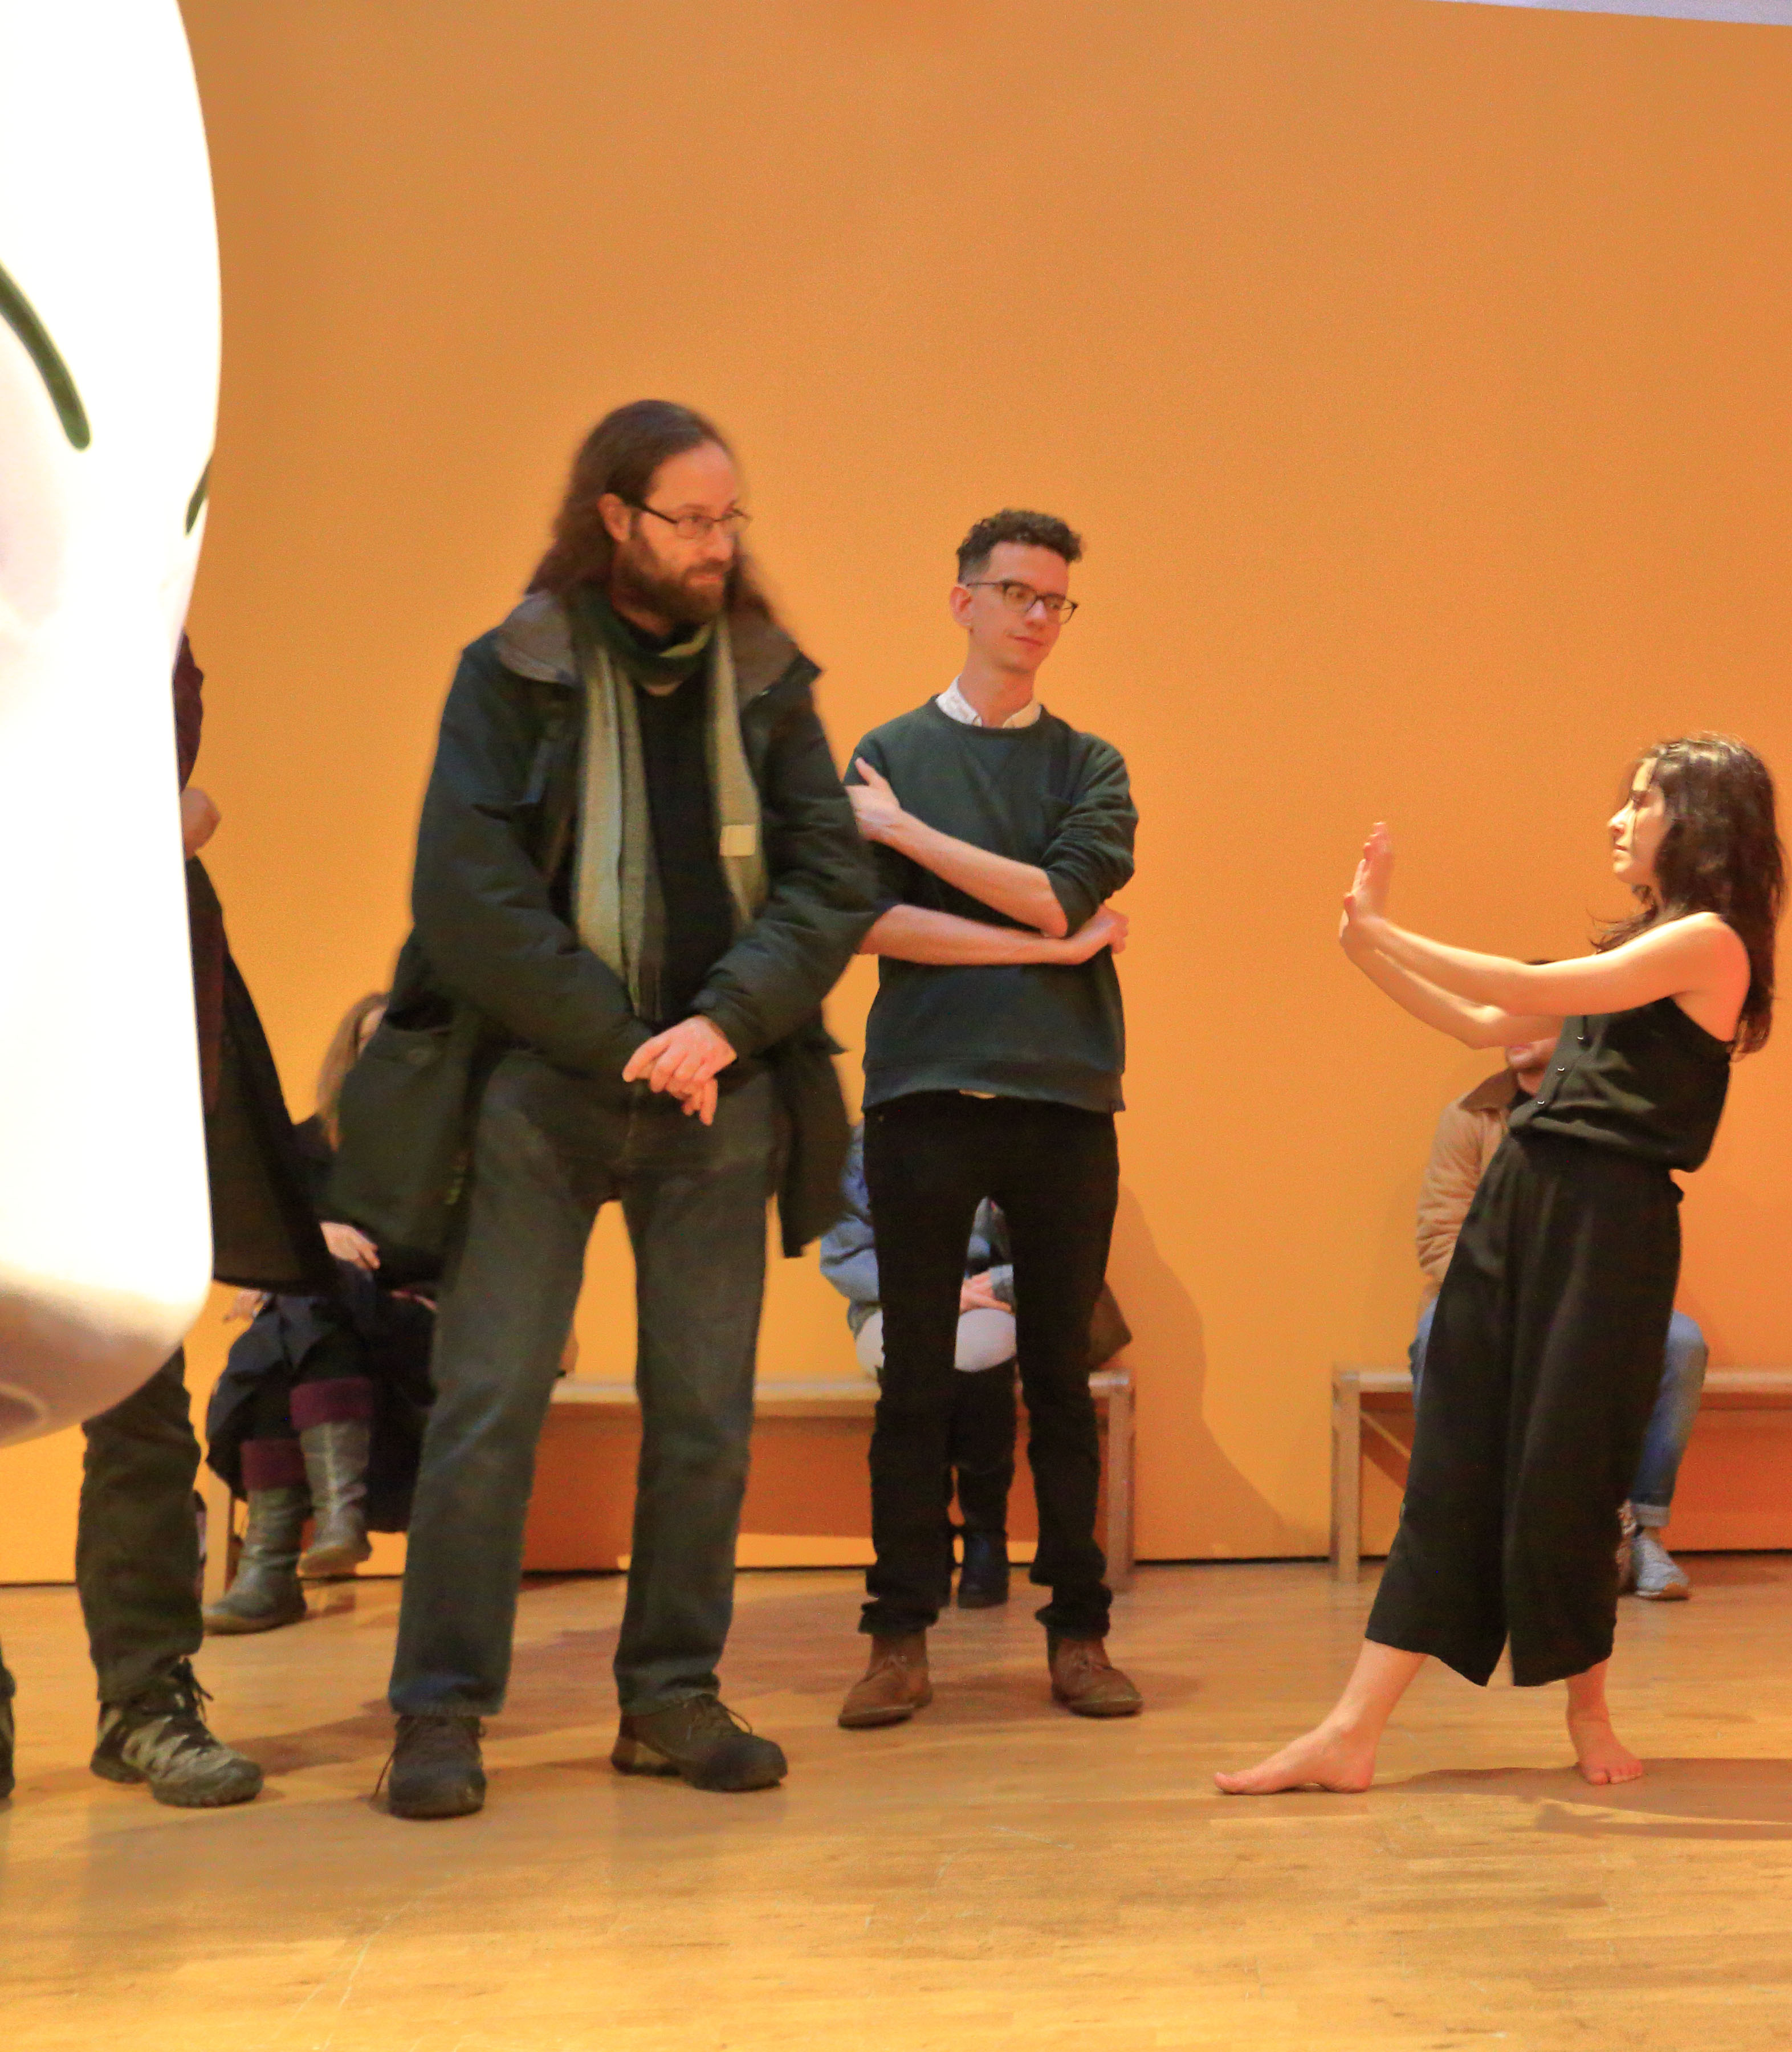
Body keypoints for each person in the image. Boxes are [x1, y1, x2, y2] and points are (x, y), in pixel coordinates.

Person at [363, 401, 877, 1822]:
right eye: (689, 520)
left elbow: (832, 879)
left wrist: (719, 1026)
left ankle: (669, 1699)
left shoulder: (766, 677)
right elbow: (466, 896)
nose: (717, 545)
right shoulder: (512, 671)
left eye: (729, 520)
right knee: (488, 1405)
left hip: (722, 1090)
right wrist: (626, 1040)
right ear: (616, 518)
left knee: (704, 1415)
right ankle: (439, 1710)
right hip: (541, 1087)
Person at [1218, 733, 1785, 1797]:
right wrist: (1364, 947)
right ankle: (1350, 1732)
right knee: (1456, 1463)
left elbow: (1520, 980)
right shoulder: (1645, 949)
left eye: (1642, 801)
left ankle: (1589, 1714)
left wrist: (1390, 928)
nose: (1618, 819)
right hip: (1519, 1203)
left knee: (1569, 1475)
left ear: (1701, 821)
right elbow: (1487, 1018)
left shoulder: (1709, 945)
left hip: (1607, 1226)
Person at [0, 639, 332, 1810]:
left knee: (137, 1397)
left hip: (115, 1038)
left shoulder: (113, 586)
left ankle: (145, 1702)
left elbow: (172, 754)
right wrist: (142, 832)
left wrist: (147, 828)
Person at [834, 507, 1141, 1731]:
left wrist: (910, 837)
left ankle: (1079, 1634)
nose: (1038, 616)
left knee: (1061, 1379)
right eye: (1017, 592)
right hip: (922, 1097)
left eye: (1056, 599)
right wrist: (1047, 949)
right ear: (963, 600)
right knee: (913, 1379)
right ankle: (897, 1638)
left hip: (1063, 1101)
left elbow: (1064, 897)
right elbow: (872, 925)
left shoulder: (1091, 765)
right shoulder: (887, 749)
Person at [1414, 1036, 1710, 1601]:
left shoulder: (1619, 1119)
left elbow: (1635, 1233)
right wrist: (1517, 1300)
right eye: (1510, 1018)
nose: (1516, 1031)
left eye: (1534, 1018)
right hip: (1489, 1297)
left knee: (1682, 1344)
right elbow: (1440, 1237)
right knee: (1436, 1338)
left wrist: (1585, 1301)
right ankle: (1452, 1537)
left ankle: (1642, 1533)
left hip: (1595, 1298)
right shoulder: (1471, 1116)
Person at [817, 1119, 1134, 1629]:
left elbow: (1063, 1251)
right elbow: (845, 1257)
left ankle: (985, 1532)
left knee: (981, 1351)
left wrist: (997, 1284)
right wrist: (933, 1291)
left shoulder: (1024, 1129)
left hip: (994, 1301)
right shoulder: (872, 1137)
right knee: (916, 1357)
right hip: (895, 1302)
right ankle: (930, 1540)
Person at [203, 992, 441, 1633]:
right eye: (369, 1043)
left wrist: (312, 1258)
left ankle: (272, 1569)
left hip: (419, 1320)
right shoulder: (306, 1145)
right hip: (333, 1325)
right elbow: (267, 1240)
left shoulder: (450, 1146)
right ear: (349, 1056)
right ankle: (334, 1520)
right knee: (294, 1321)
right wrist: (313, 1241)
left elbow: (437, 1253)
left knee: (290, 1316)